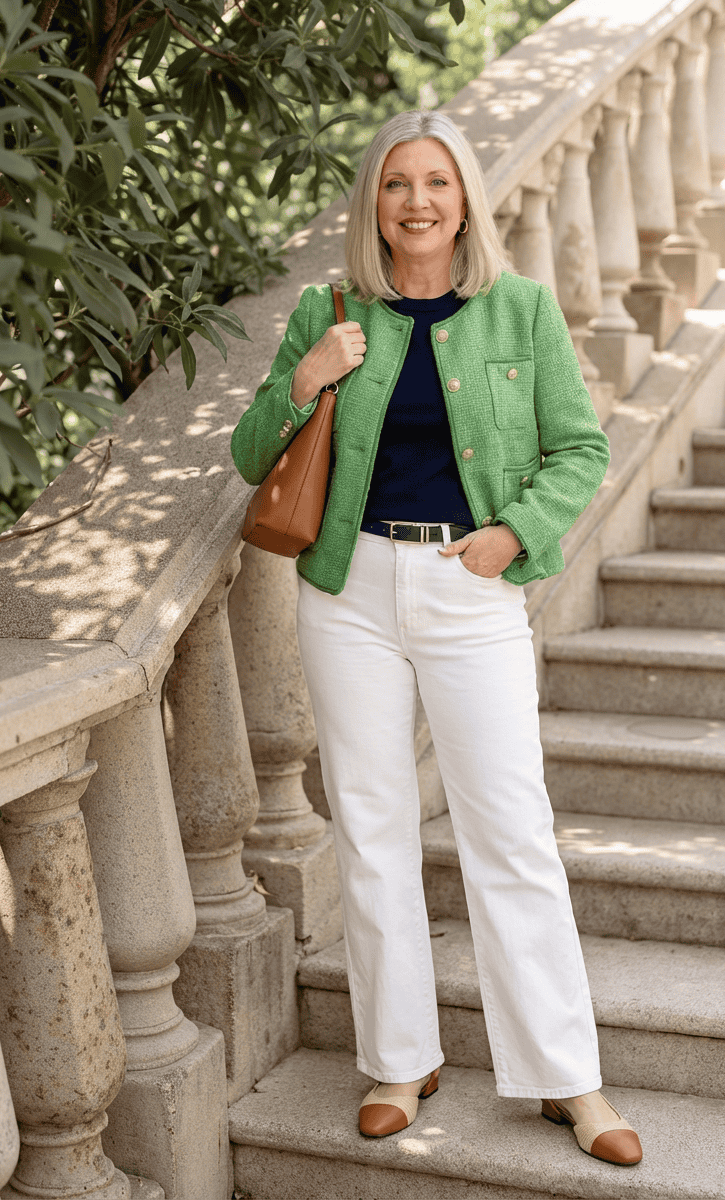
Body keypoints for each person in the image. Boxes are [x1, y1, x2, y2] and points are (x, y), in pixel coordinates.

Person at [231, 110, 643, 1167]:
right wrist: (309, 375)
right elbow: (247, 456)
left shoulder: (521, 310)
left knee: (508, 831)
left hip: (470, 586)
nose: (417, 201)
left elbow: (580, 446)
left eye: (436, 182)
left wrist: (514, 536)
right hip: (350, 589)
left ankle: (566, 1080)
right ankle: (396, 1060)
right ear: (374, 201)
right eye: (396, 183)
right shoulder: (332, 314)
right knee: (370, 830)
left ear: (465, 198)